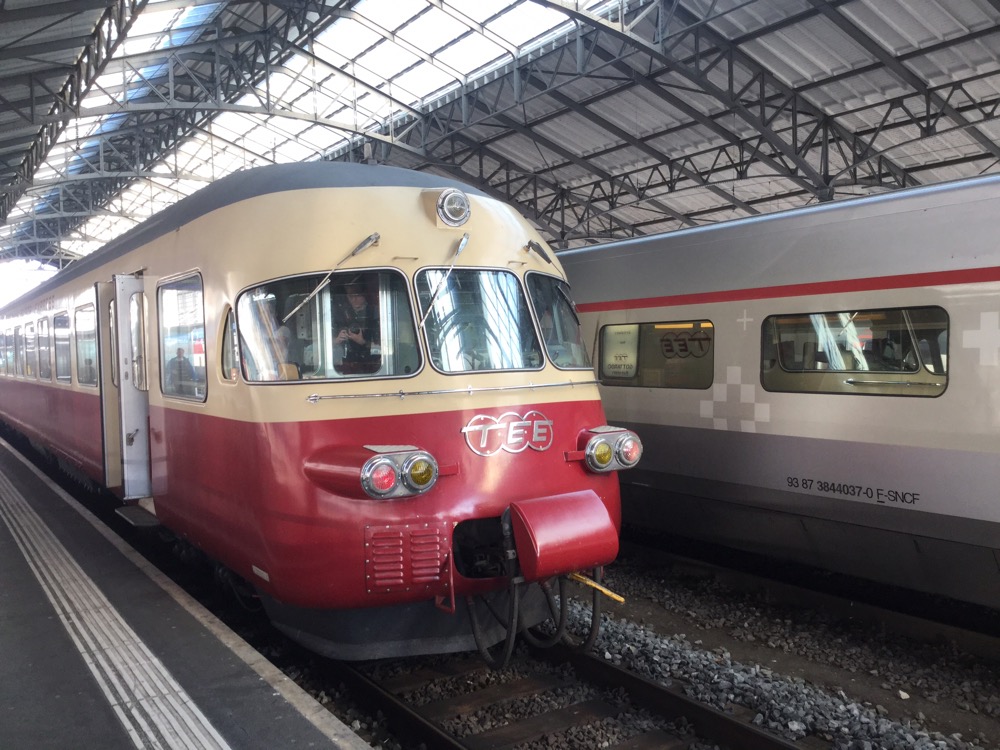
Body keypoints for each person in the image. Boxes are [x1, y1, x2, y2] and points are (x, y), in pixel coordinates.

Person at [335, 282, 379, 368]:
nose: (353, 299)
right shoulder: (342, 314)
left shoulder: (376, 312)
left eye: (357, 295)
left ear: (364, 295)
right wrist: (337, 340)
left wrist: (363, 342)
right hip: (348, 364)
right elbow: (324, 343)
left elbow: (387, 348)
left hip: (373, 364)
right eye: (350, 296)